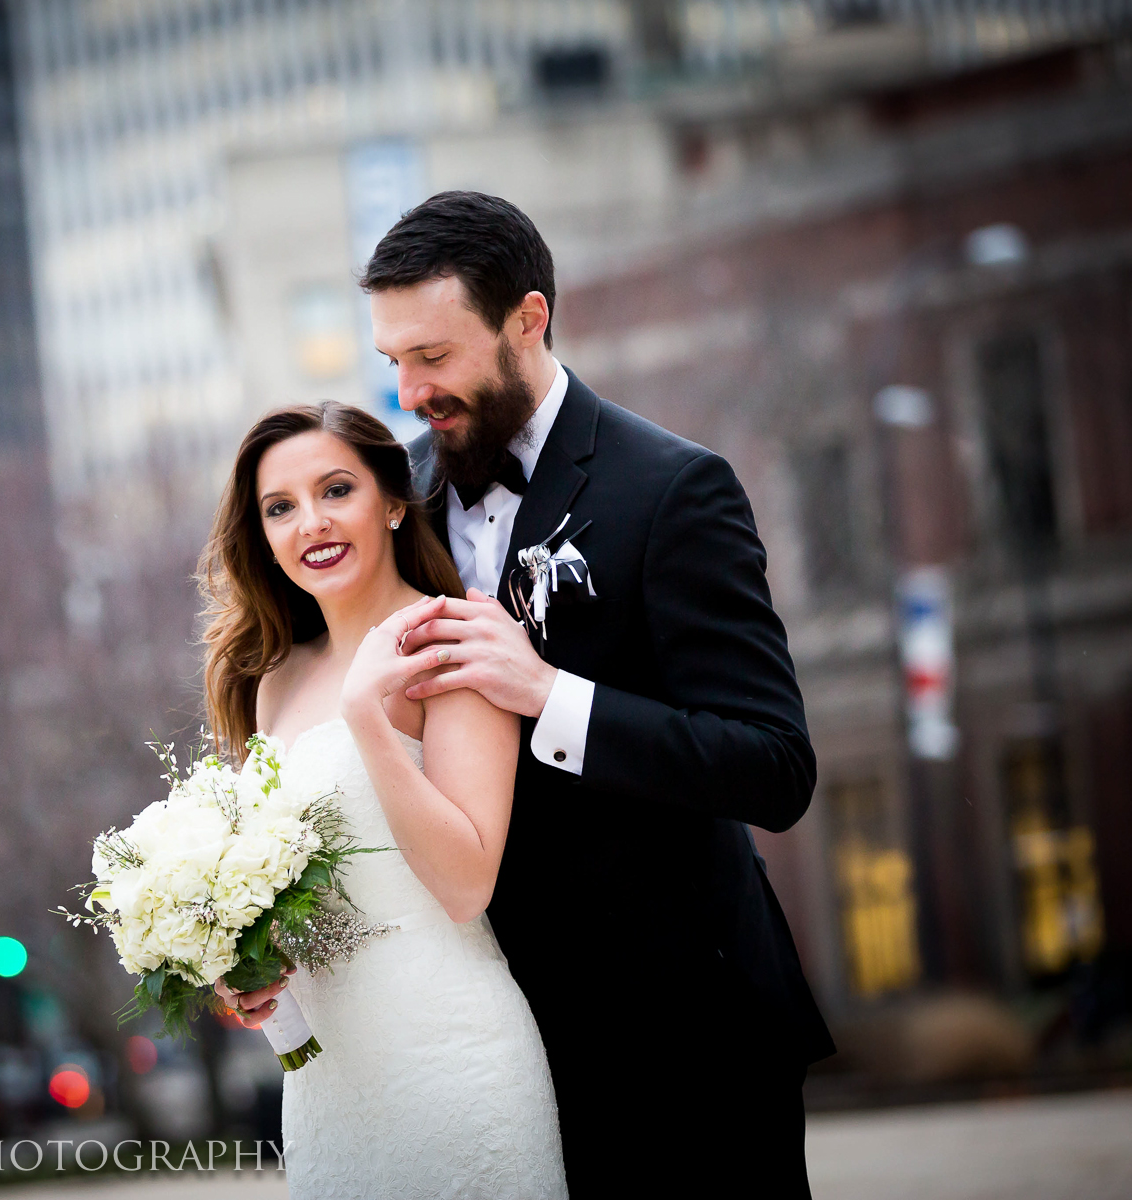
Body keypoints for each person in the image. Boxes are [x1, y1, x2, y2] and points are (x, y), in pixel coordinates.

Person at [232, 190, 836, 1196]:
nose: (412, 390)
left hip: (684, 1030)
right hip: (491, 1043)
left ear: (529, 319)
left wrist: (552, 693)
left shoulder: (672, 490)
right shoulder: (394, 491)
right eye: (393, 363)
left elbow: (773, 766)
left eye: (435, 356)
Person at [202, 402, 568, 1199]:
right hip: (332, 1092)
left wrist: (368, 716)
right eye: (280, 507)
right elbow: (302, 887)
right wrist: (253, 965)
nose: (312, 523)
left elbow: (467, 885)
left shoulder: (455, 642)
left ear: (395, 501)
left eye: (337, 490)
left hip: (451, 1061)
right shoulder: (275, 681)